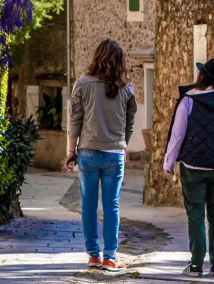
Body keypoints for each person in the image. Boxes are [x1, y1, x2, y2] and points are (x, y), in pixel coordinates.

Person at [163, 57, 214, 278]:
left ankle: (196, 265)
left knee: (196, 214)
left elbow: (178, 135)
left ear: (201, 76)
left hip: (193, 167)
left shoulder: (188, 100)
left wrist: (168, 163)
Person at [63, 38, 137, 271]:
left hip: (88, 152)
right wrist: (122, 145)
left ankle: (93, 255)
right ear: (120, 62)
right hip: (115, 153)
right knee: (111, 205)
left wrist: (70, 151)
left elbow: (75, 120)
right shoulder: (126, 88)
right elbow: (130, 123)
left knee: (88, 204)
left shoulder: (82, 84)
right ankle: (110, 257)